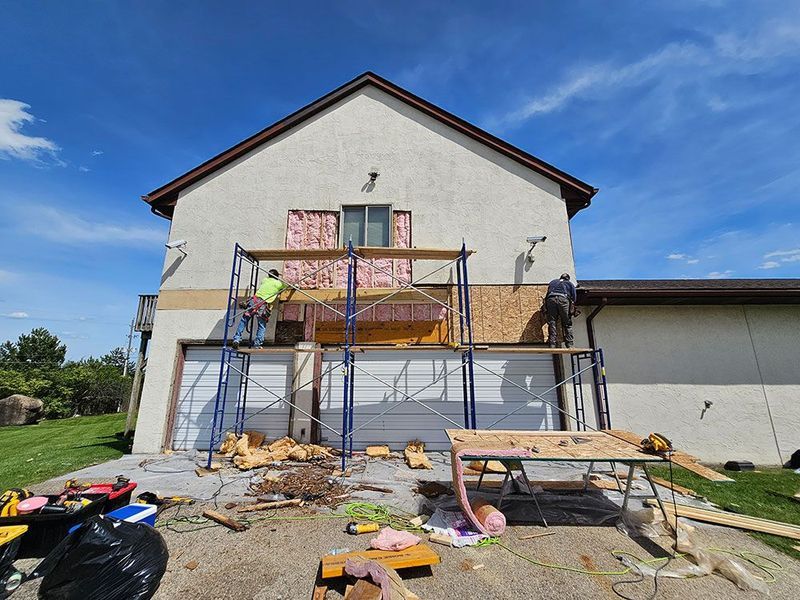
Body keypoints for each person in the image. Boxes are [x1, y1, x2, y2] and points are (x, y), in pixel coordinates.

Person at [232, 269, 288, 349]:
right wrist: (281, 278)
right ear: (277, 277)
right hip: (263, 304)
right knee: (261, 324)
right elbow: (287, 286)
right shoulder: (278, 283)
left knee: (244, 320)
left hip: (253, 301)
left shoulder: (264, 280)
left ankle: (236, 339)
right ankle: (257, 344)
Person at [545, 273, 576, 348]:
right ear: (567, 278)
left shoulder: (553, 282)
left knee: (552, 321)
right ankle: (569, 344)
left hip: (551, 299)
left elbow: (547, 295)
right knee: (567, 321)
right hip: (563, 299)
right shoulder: (569, 283)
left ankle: (552, 343)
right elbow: (574, 297)